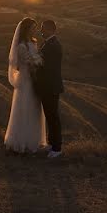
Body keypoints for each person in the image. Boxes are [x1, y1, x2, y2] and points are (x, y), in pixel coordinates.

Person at [3, 17, 47, 153]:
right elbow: (28, 62)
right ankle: (22, 142)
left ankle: (34, 140)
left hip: (34, 79)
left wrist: (39, 61)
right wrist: (38, 62)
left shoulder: (33, 43)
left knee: (34, 109)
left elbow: (37, 58)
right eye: (33, 28)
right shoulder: (21, 46)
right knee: (25, 109)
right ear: (26, 29)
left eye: (35, 27)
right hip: (26, 81)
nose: (35, 30)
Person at [34, 19, 64, 158]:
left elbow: (49, 68)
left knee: (53, 117)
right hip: (48, 87)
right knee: (50, 116)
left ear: (51, 29)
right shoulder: (49, 44)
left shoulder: (54, 46)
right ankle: (52, 144)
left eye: (43, 29)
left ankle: (57, 148)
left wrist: (35, 66)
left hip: (51, 87)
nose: (41, 31)